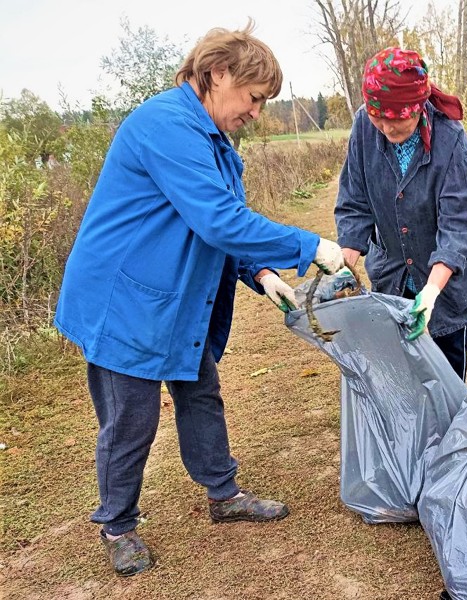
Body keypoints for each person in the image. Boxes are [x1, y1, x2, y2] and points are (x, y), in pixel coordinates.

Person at [53, 22, 344, 577]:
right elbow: (219, 218)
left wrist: (260, 273)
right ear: (217, 74)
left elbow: (212, 229)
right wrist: (312, 246)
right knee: (131, 419)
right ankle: (118, 524)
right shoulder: (165, 126)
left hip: (176, 296)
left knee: (200, 390)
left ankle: (223, 494)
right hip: (126, 302)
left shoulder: (212, 138)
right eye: (254, 98)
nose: (256, 112)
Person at [335, 47, 467, 381]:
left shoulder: (452, 142)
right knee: (402, 375)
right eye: (379, 118)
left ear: (417, 108)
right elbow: (355, 201)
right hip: (392, 275)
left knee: (445, 376)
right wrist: (343, 265)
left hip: (445, 287)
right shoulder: (364, 126)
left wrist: (431, 292)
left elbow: (459, 227)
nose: (387, 128)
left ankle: (451, 431)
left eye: (397, 118)